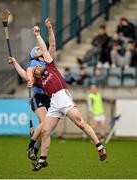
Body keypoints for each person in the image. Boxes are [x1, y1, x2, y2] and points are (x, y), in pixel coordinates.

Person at [25, 25, 107, 171]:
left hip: (63, 96)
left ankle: (99, 146)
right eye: (36, 67)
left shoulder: (50, 66)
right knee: (45, 131)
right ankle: (43, 159)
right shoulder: (39, 81)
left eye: (38, 66)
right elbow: (27, 73)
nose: (38, 67)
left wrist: (40, 33)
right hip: (54, 103)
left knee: (80, 123)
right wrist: (28, 78)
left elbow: (49, 46)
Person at [8, 17, 60, 167]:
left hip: (51, 98)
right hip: (38, 97)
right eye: (37, 49)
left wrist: (49, 29)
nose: (40, 49)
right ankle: (30, 146)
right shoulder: (33, 63)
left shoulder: (48, 61)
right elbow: (26, 75)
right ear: (34, 55)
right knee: (44, 123)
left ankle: (35, 155)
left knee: (46, 130)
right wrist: (16, 63)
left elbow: (52, 44)